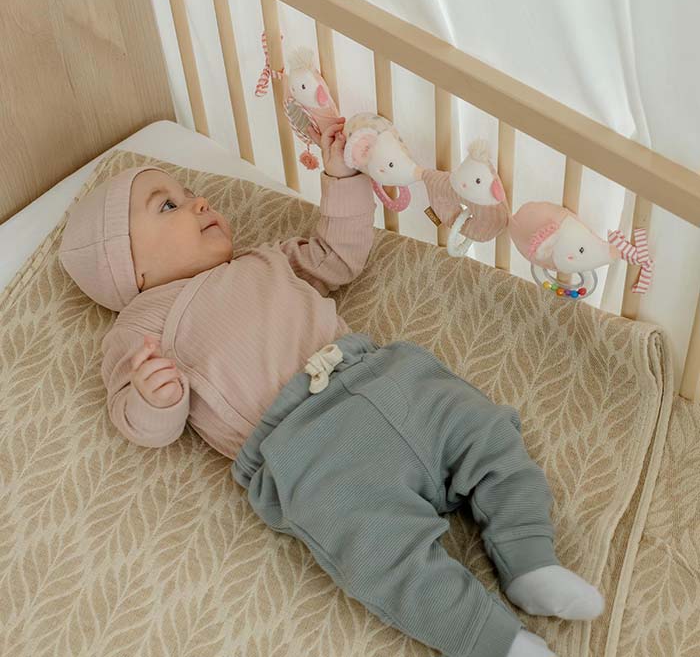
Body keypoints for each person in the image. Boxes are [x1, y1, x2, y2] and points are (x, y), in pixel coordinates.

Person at [58, 119, 603, 657]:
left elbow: (337, 256)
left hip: (380, 374)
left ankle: (530, 560)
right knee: (382, 552)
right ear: (127, 266)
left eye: (190, 193)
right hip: (307, 449)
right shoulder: (141, 326)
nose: (199, 202)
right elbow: (136, 420)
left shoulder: (264, 259)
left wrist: (343, 179)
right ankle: (495, 641)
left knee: (485, 433)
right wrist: (155, 398)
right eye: (168, 206)